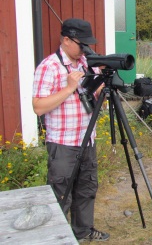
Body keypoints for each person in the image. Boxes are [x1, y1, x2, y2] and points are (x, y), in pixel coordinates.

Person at [32, 18, 109, 242]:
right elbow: (38, 107)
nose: (84, 49)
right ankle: (55, 236)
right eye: (81, 43)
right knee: (60, 193)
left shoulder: (88, 64)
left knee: (86, 188)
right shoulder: (49, 66)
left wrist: (101, 90)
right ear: (66, 40)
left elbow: (95, 102)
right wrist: (68, 88)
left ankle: (83, 231)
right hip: (63, 143)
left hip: (87, 140)